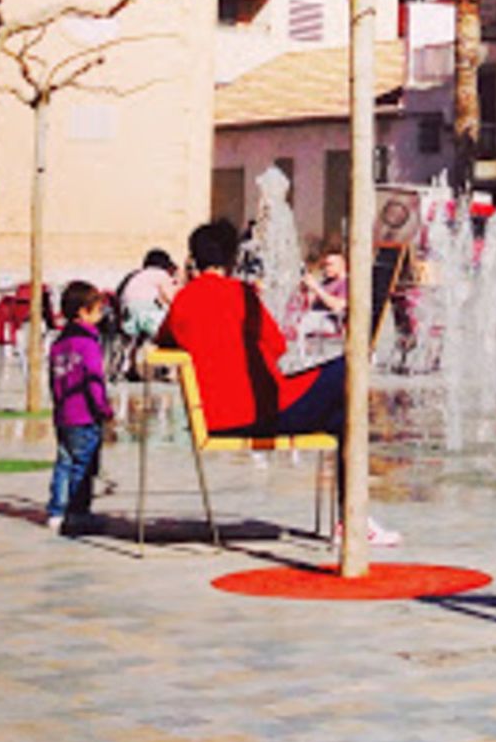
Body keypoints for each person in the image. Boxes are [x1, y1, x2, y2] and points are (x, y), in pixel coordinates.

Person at [165, 218, 399, 546]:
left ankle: (352, 520)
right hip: (258, 414)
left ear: (194, 258)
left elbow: (164, 341)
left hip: (215, 418)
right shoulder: (239, 294)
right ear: (232, 258)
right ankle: (352, 520)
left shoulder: (183, 300)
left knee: (342, 419)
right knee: (350, 368)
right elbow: (278, 346)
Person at [47, 280, 114, 535]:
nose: (100, 315)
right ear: (83, 312)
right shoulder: (89, 345)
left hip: (63, 414)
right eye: (97, 310)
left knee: (63, 463)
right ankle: (77, 513)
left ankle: (56, 511)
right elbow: (94, 381)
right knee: (83, 467)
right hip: (85, 415)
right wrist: (104, 410)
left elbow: (53, 379)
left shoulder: (58, 344)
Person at [114, 248, 178, 356]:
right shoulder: (161, 274)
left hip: (127, 312)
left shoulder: (134, 275)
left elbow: (119, 293)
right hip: (144, 310)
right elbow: (170, 297)